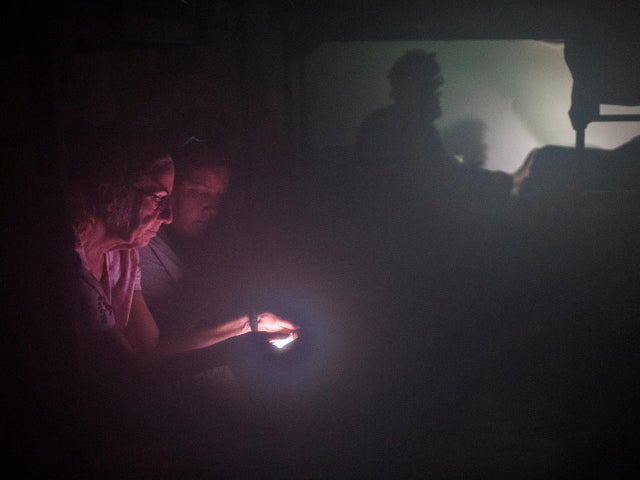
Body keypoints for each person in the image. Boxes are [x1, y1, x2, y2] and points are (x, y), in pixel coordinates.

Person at [67, 123, 299, 475]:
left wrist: (252, 322)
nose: (169, 215)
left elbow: (151, 346)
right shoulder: (66, 261)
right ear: (112, 189)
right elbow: (129, 370)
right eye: (159, 199)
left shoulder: (122, 256)